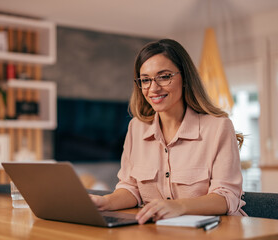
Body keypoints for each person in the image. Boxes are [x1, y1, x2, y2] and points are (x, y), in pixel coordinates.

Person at [90, 39, 246, 225]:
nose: (153, 88)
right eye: (145, 80)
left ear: (185, 78)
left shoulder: (218, 127)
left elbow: (227, 197)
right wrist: (104, 202)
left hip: (216, 232)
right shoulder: (136, 128)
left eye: (164, 77)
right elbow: (130, 188)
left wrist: (179, 206)